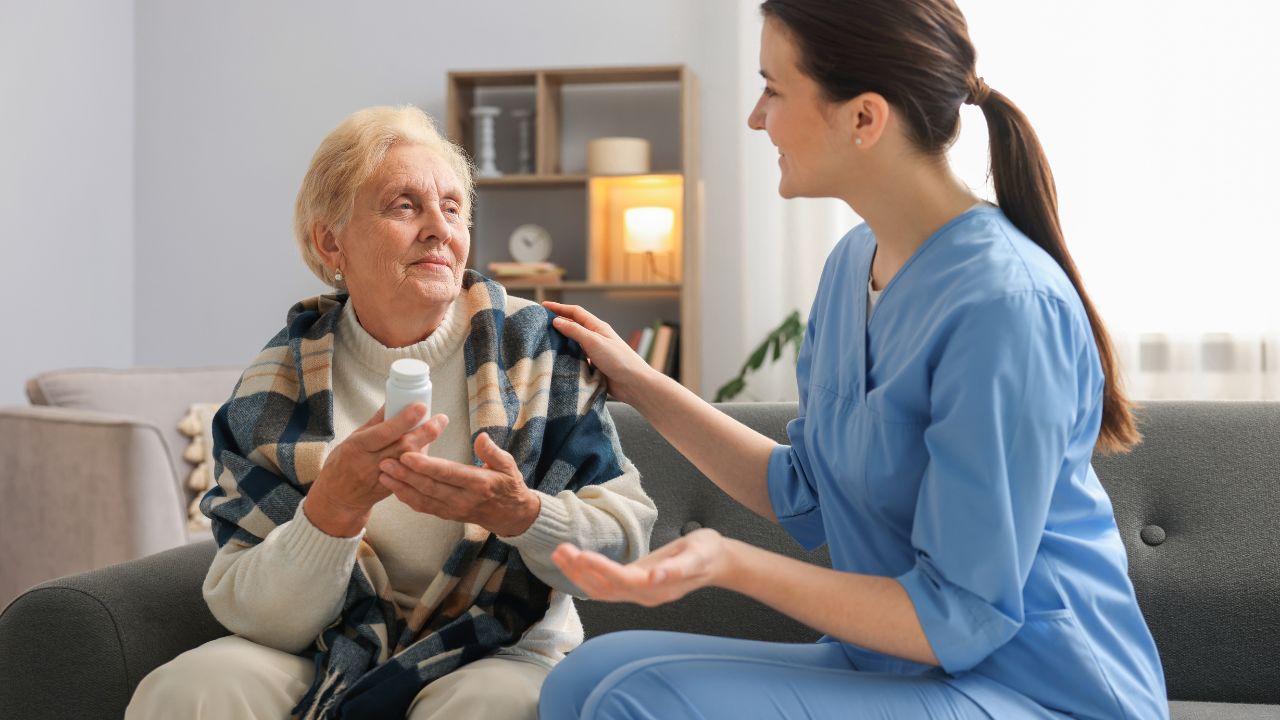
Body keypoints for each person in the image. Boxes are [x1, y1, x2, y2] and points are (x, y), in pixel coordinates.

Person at [537, 1, 1169, 718]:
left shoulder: (1004, 305)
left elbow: (960, 616)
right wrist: (638, 381)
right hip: (901, 664)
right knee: (583, 676)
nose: (755, 117)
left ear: (864, 118)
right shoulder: (852, 267)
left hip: (1040, 689)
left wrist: (731, 562)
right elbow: (805, 490)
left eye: (773, 89)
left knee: (636, 703)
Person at [124, 105, 656, 720]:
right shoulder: (276, 384)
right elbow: (255, 613)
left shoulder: (537, 354)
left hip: (499, 651)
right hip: (327, 647)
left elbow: (626, 545)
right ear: (332, 241)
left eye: (453, 208)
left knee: (494, 707)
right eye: (405, 206)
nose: (439, 229)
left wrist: (522, 514)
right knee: (191, 688)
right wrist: (332, 510)